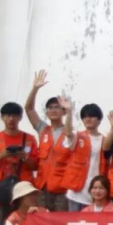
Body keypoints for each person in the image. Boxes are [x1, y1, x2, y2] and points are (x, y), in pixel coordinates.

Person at [25, 70, 71, 212]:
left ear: (64, 111)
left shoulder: (70, 133)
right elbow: (29, 109)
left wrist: (70, 111)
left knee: (59, 222)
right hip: (42, 186)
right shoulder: (43, 130)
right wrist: (35, 88)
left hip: (62, 189)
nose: (53, 110)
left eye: (57, 107)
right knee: (42, 220)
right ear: (46, 112)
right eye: (50, 108)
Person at [62, 104, 108, 212]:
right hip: (76, 192)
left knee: (91, 222)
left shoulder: (104, 140)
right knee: (74, 222)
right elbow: (68, 133)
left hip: (95, 191)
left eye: (91, 116)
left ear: (99, 119)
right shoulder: (77, 135)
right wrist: (69, 112)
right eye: (85, 117)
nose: (87, 119)